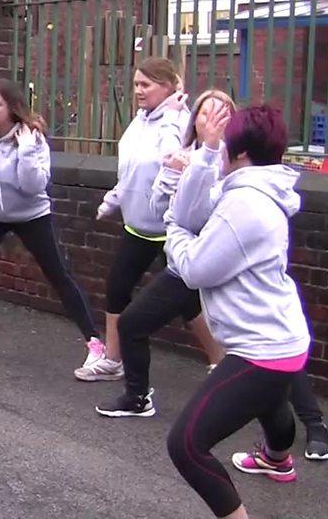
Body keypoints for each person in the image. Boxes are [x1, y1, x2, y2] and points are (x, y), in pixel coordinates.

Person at [164, 105, 311, 519]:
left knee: (186, 445)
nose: (221, 150)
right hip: (285, 337)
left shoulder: (245, 204)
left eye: (225, 144)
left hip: (262, 349)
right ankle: (277, 459)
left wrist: (173, 233)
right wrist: (207, 151)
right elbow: (195, 210)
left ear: (241, 153)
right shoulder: (254, 188)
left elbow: (193, 269)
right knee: (271, 404)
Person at [96, 89, 233, 417]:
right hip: (185, 261)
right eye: (205, 113)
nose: (211, 121)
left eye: (221, 114)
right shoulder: (183, 151)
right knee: (131, 323)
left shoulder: (236, 161)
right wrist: (172, 174)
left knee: (272, 343)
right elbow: (161, 205)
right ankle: (137, 396)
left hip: (226, 264)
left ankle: (310, 426)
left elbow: (218, 208)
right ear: (194, 118)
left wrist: (203, 166)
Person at [0, 79, 98, 357]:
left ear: (11, 107)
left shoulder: (33, 138)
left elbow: (33, 186)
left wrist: (26, 151)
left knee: (59, 276)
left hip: (32, 216)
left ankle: (95, 344)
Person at [84, 57, 189, 382]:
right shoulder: (140, 121)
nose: (138, 91)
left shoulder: (179, 122)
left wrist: (172, 116)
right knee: (117, 289)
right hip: (138, 225)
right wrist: (114, 199)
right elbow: (132, 171)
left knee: (191, 301)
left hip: (168, 227)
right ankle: (113, 360)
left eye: (146, 85)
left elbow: (173, 163)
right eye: (136, 85)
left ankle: (219, 361)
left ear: (169, 86)